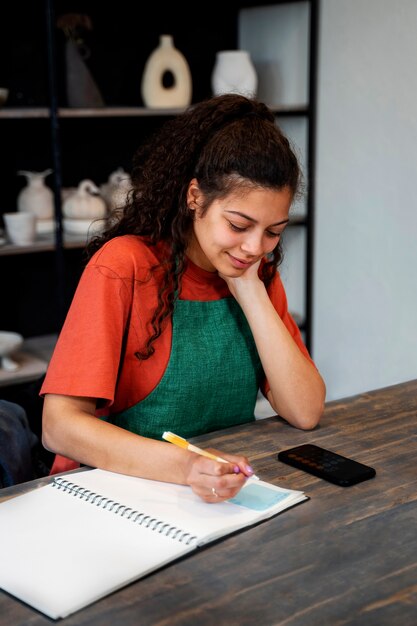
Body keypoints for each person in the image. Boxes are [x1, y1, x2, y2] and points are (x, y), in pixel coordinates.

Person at [41, 93, 326, 503]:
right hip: (106, 492)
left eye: (273, 231)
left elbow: (305, 411)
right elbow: (59, 426)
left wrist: (250, 290)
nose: (254, 246)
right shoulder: (126, 265)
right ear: (195, 197)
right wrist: (186, 468)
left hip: (207, 497)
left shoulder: (253, 272)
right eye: (239, 224)